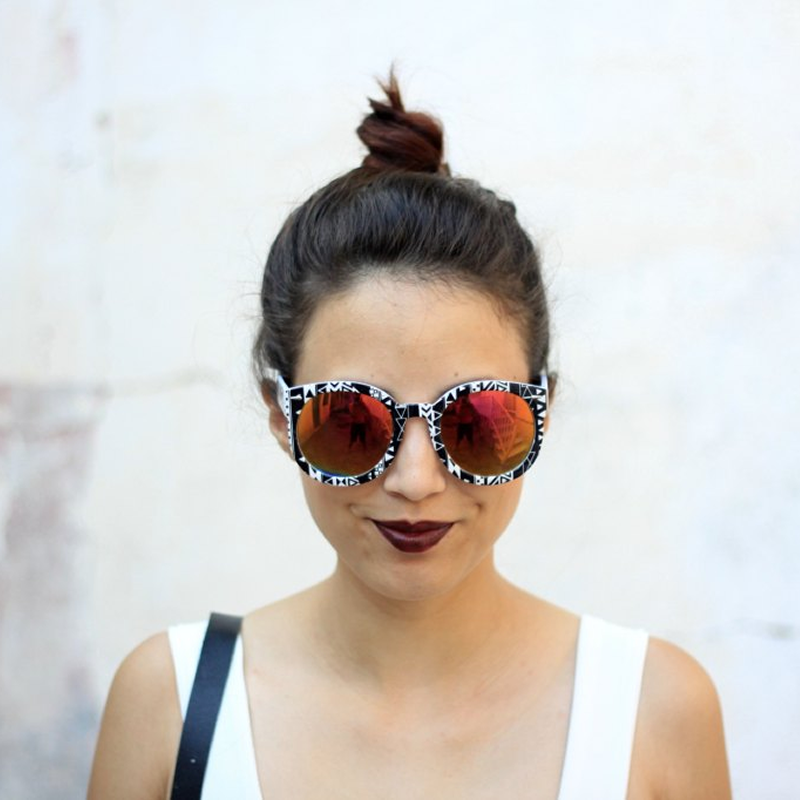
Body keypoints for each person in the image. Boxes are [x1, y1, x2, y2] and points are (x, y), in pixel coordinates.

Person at [88, 72, 732, 799]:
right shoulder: (172, 706)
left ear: (542, 410)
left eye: (477, 420)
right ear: (279, 414)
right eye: (351, 421)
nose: (416, 481)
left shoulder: (656, 711)